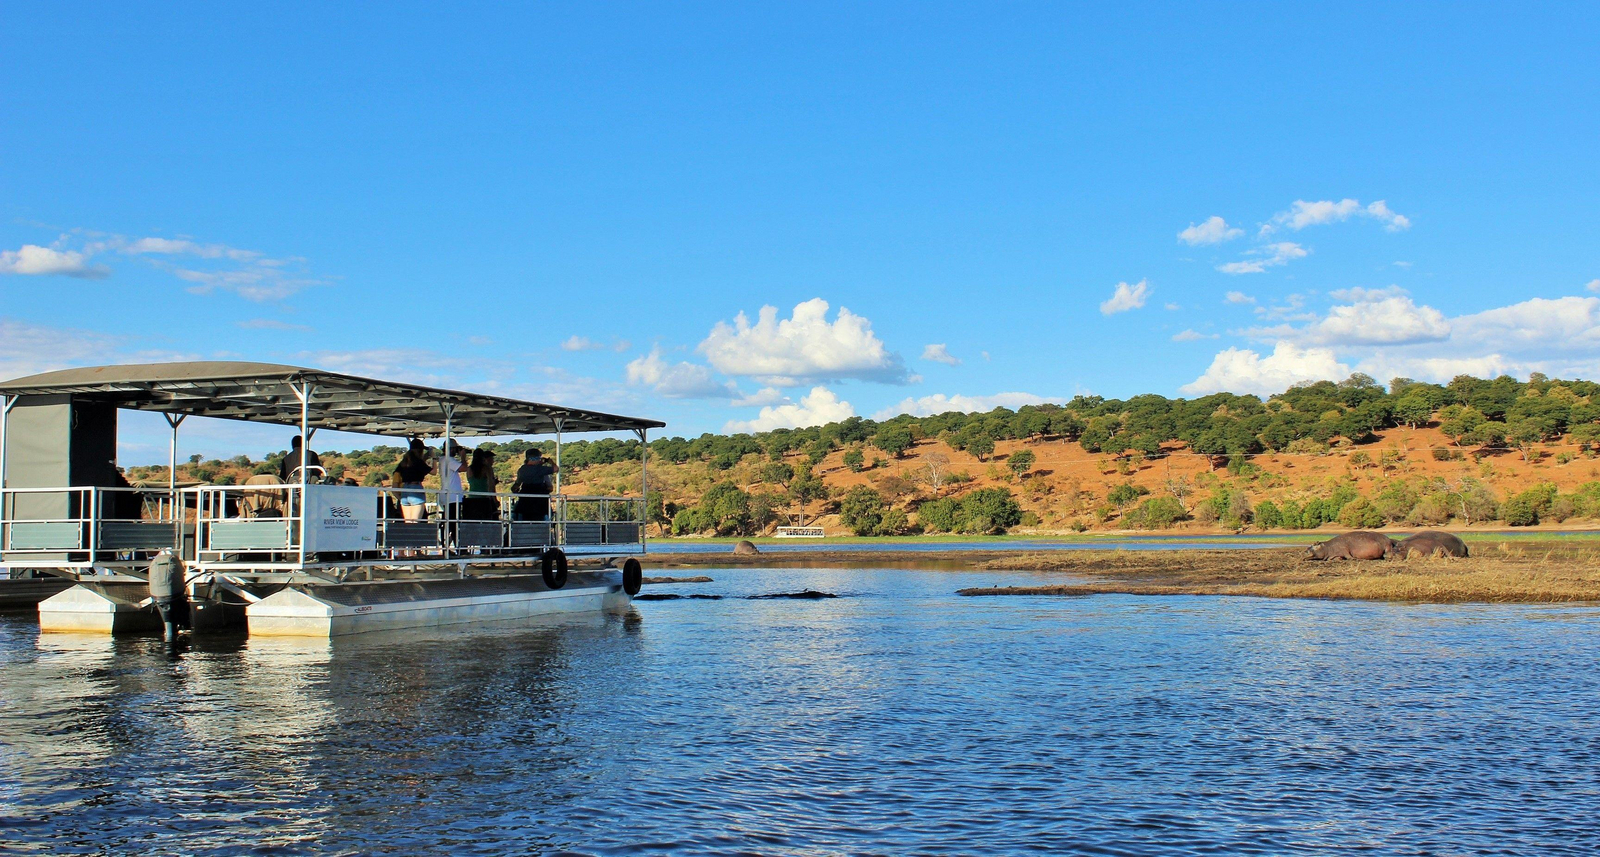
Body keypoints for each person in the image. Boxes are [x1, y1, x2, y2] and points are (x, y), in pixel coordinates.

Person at [392, 438, 434, 522]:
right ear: (420, 451)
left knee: (408, 522)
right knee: (415, 522)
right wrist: (434, 458)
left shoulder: (404, 462)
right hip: (415, 489)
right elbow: (433, 472)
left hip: (404, 491)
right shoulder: (418, 462)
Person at [512, 447, 556, 521]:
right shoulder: (541, 470)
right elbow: (555, 469)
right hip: (540, 503)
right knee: (544, 519)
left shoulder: (522, 469)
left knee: (519, 516)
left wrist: (515, 490)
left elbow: (516, 485)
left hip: (525, 503)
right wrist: (550, 461)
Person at [465, 448, 499, 520]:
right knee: (489, 521)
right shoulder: (487, 468)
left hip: (472, 498)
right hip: (484, 499)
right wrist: (494, 499)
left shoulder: (469, 469)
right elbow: (491, 485)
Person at [438, 440, 466, 524]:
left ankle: (446, 535)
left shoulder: (443, 459)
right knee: (453, 521)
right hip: (452, 496)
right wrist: (463, 457)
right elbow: (464, 468)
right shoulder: (449, 460)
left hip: (449, 495)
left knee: (448, 520)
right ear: (451, 449)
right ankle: (453, 536)